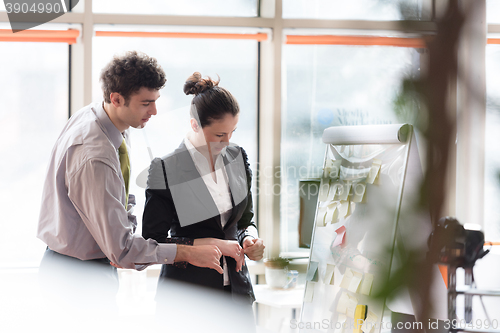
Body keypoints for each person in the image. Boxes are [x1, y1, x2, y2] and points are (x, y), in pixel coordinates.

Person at [36, 52, 223, 316]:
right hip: (76, 280)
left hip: (82, 270)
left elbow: (118, 197)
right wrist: (188, 253)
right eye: (146, 103)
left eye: (155, 101)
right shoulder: (95, 154)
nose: (154, 111)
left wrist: (124, 221)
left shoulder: (108, 121)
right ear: (116, 98)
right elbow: (122, 250)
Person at [142, 72, 265, 305]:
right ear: (195, 125)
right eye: (219, 135)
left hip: (238, 294)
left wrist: (250, 238)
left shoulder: (238, 157)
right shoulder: (166, 168)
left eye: (232, 132)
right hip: (188, 298)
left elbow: (244, 220)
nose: (227, 141)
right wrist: (216, 245)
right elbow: (153, 242)